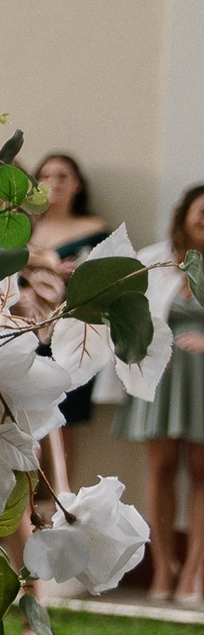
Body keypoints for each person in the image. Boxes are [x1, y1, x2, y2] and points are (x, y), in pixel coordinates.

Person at [120, 182, 204, 603]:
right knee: (161, 470)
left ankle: (194, 573)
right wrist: (148, 348)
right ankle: (162, 570)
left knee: (203, 472)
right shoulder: (154, 260)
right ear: (185, 213)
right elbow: (126, 313)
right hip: (163, 378)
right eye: (201, 209)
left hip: (203, 382)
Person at [31, 152, 111, 489]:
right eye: (46, 175)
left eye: (63, 176)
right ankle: (27, 499)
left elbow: (108, 280)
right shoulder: (25, 227)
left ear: (77, 184)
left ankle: (59, 499)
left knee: (64, 420)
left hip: (71, 331)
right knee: (28, 415)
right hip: (26, 329)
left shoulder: (94, 228)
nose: (54, 182)